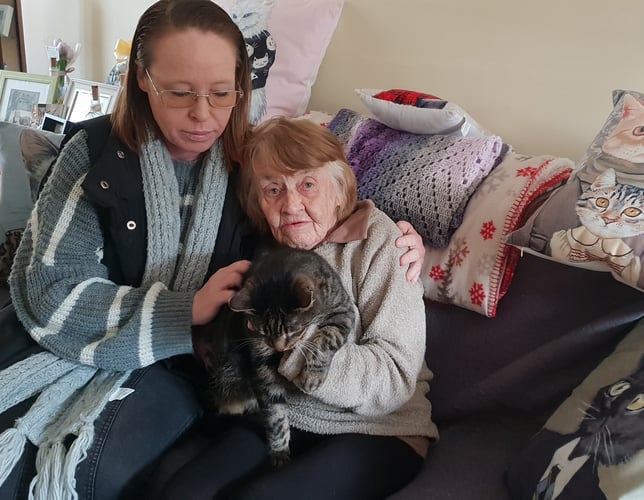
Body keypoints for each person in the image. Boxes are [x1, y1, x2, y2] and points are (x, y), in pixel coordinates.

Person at [0, 1, 425, 498]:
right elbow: (50, 287)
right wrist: (185, 311)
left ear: (242, 87)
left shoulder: (244, 159)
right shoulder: (95, 155)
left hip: (197, 373)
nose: (203, 116)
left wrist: (413, 247)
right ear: (143, 78)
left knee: (93, 474)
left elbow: (328, 192)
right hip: (89, 343)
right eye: (180, 93)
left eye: (222, 94)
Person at [146, 116, 438, 500]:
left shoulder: (384, 244)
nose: (291, 204)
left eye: (307, 184)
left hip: (377, 427)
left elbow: (396, 377)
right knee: (184, 493)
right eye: (272, 189)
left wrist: (296, 351)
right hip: (282, 414)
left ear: (338, 188)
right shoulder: (263, 247)